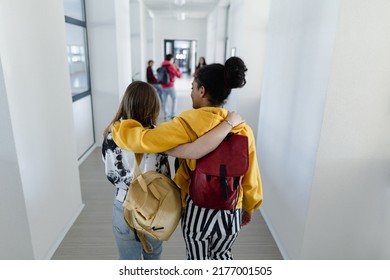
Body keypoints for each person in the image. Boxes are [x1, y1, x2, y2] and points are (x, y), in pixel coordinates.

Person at [111, 57, 263, 260]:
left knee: (196, 259)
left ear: (202, 91)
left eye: (193, 87)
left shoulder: (188, 122)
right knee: (223, 256)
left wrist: (119, 128)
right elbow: (251, 175)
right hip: (231, 207)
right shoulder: (242, 128)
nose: (191, 92)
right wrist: (249, 206)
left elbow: (145, 139)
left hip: (197, 208)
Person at [160, 54, 181, 120]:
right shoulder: (171, 66)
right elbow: (178, 75)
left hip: (163, 86)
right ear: (171, 59)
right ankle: (173, 114)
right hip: (170, 86)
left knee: (164, 101)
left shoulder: (162, 65)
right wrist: (177, 68)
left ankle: (166, 115)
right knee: (174, 99)